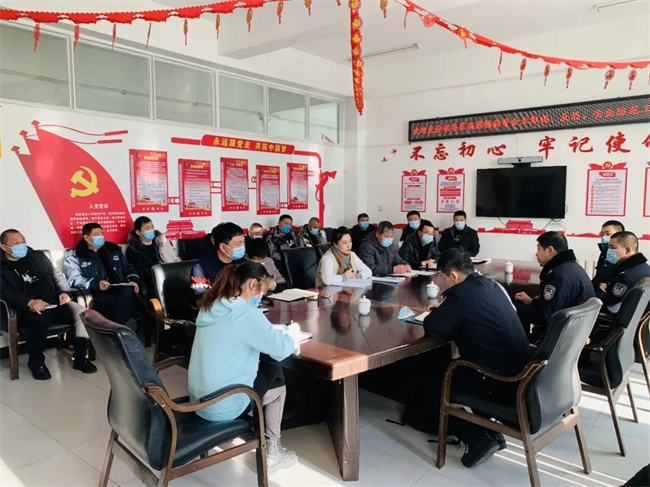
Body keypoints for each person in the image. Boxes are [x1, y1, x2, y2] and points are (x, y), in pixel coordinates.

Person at [415, 248, 532, 468]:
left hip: (495, 377)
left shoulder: (460, 294)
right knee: (450, 369)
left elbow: (434, 327)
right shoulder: (491, 285)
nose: (446, 283)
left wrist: (438, 312)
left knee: (433, 381)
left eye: (445, 278)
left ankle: (477, 439)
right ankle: (492, 433)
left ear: (454, 275)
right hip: (520, 371)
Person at [188, 261, 301, 473]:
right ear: (252, 285)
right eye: (262, 291)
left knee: (266, 368)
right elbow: (282, 349)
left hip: (198, 400)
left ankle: (267, 440)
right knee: (277, 377)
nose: (261, 297)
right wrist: (293, 333)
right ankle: (273, 453)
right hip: (223, 406)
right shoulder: (245, 315)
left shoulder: (211, 305)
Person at [0, 229, 97, 379]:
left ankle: (81, 358)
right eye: (16, 242)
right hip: (26, 308)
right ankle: (36, 362)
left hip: (55, 302)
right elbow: (5, 291)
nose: (21, 245)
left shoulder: (37, 256)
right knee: (39, 319)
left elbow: (57, 275)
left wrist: (64, 292)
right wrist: (29, 302)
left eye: (23, 241)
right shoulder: (2, 266)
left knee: (82, 313)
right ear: (4, 247)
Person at [514, 231, 595, 341]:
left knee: (514, 309)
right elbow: (555, 303)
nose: (536, 254)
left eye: (538, 249)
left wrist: (512, 308)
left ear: (550, 250)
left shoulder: (558, 275)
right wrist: (531, 301)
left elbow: (546, 316)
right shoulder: (572, 267)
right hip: (575, 331)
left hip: (560, 336)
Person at [65, 223, 140, 329]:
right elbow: (74, 279)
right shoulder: (76, 255)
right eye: (96, 235)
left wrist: (132, 280)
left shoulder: (112, 249)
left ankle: (118, 329)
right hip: (97, 292)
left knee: (127, 290)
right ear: (86, 238)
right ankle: (122, 328)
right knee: (116, 298)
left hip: (120, 288)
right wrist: (95, 284)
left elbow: (128, 268)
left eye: (102, 234)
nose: (101, 237)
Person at [596, 231, 650, 316]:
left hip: (613, 317)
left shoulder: (626, 276)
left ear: (627, 250)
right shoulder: (643, 267)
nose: (608, 251)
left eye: (612, 247)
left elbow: (611, 303)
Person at [190, 223, 245, 302]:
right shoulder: (201, 269)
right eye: (238, 244)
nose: (242, 247)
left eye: (243, 242)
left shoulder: (243, 262)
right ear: (223, 247)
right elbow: (203, 301)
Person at [126, 216, 180, 290]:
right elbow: (143, 272)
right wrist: (162, 272)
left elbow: (175, 260)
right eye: (147, 228)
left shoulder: (161, 243)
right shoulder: (133, 250)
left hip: (171, 275)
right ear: (138, 232)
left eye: (152, 227)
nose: (151, 230)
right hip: (154, 280)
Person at [592, 220, 625, 291]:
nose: (604, 237)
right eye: (602, 234)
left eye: (608, 234)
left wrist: (608, 286)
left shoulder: (621, 254)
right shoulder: (604, 253)